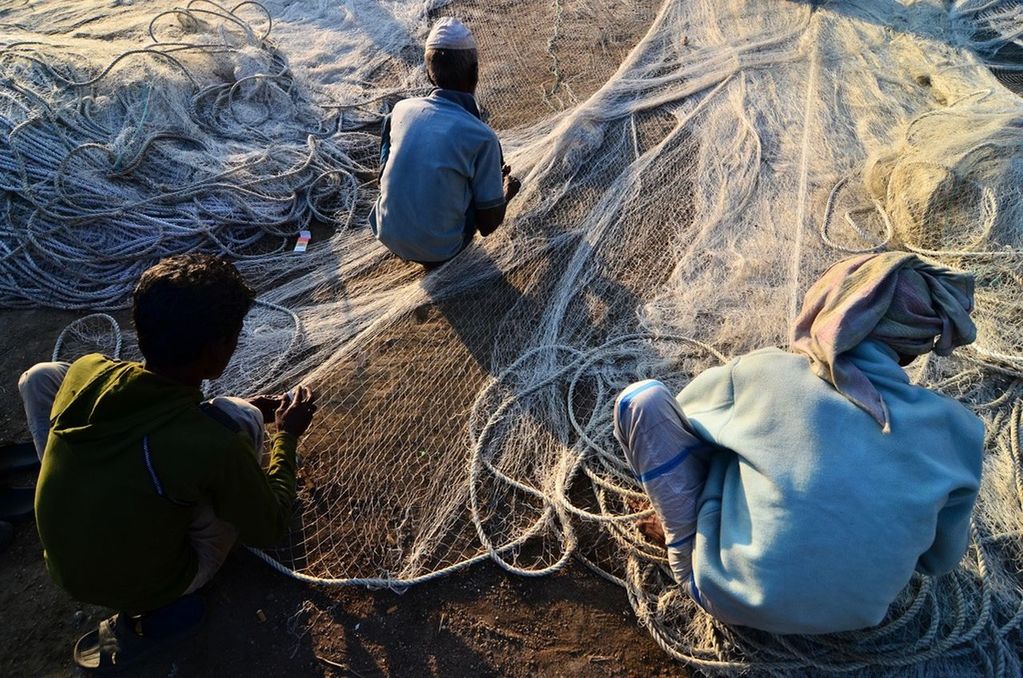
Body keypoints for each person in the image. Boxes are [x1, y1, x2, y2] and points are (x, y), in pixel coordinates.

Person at [613, 252, 984, 634]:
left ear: (833, 309)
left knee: (644, 402)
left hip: (725, 592)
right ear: (914, 345)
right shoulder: (960, 430)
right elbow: (939, 561)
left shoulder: (765, 371)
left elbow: (682, 427)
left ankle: (686, 541)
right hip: (856, 616)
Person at [19, 253, 317, 671]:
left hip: (66, 567)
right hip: (158, 581)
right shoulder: (212, 443)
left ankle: (86, 482)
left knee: (42, 376)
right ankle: (161, 603)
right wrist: (286, 435)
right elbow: (269, 525)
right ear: (219, 351)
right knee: (242, 419)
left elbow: (155, 411)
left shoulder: (87, 369)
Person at [369, 17, 521, 267]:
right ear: (474, 73)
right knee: (480, 193)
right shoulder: (482, 137)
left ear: (429, 75)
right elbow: (488, 225)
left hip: (386, 232)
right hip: (442, 250)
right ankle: (434, 244)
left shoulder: (399, 110)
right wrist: (505, 191)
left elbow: (384, 173)